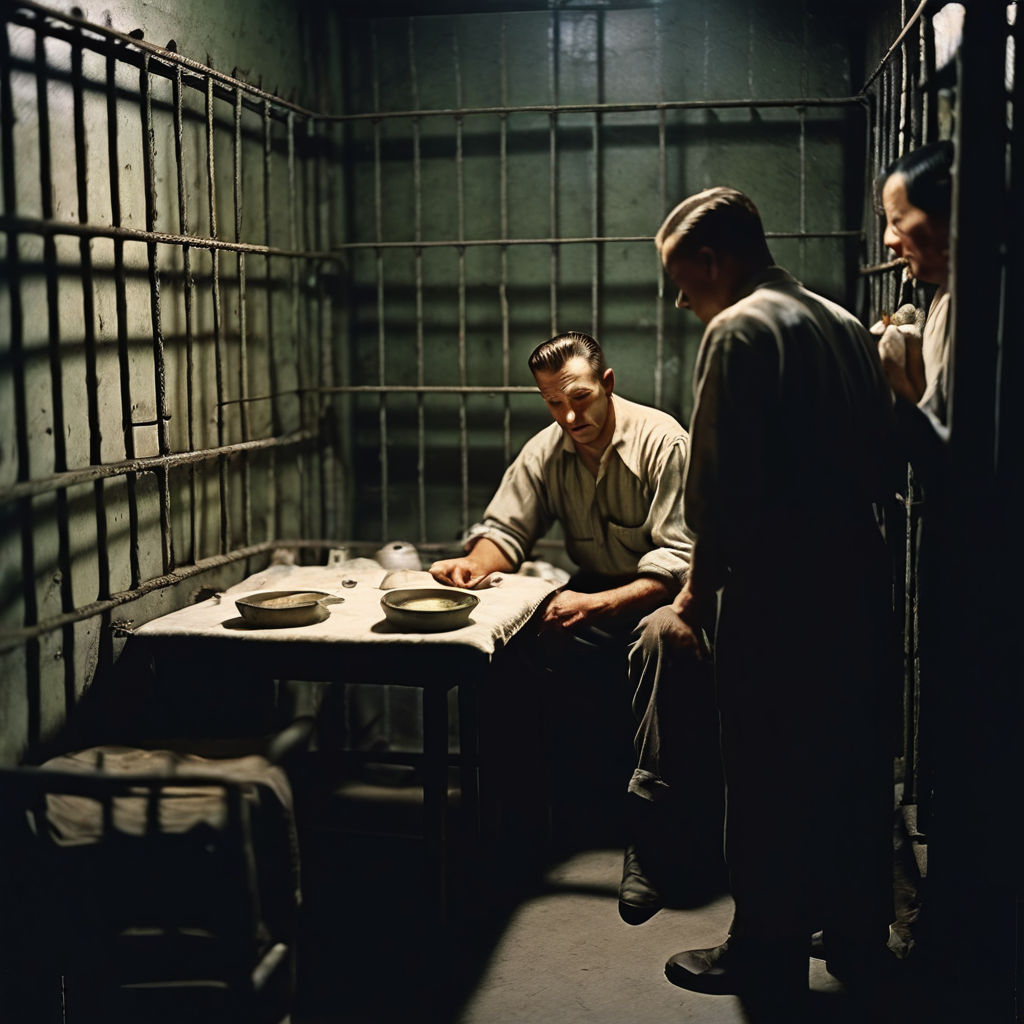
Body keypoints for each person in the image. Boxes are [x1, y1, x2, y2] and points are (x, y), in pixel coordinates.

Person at [649, 187, 899, 1014]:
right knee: (851, 766)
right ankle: (858, 935)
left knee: (762, 772)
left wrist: (693, 593)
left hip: (780, 586)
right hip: (858, 572)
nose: (682, 300)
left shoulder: (740, 329)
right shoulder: (841, 321)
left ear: (715, 261)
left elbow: (719, 488)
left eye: (683, 281)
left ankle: (765, 946)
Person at [429, 331, 723, 921]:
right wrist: (471, 564)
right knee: (508, 643)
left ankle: (652, 842)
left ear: (607, 385)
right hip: (598, 598)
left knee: (662, 636)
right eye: (552, 402)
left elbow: (677, 568)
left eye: (580, 398)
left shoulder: (665, 443)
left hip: (673, 603)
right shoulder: (548, 447)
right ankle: (517, 825)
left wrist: (590, 605)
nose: (568, 415)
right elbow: (505, 532)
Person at [875, 139, 954, 485]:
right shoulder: (944, 294)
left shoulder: (973, 303)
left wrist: (891, 376)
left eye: (897, 221)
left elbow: (951, 461)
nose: (888, 240)